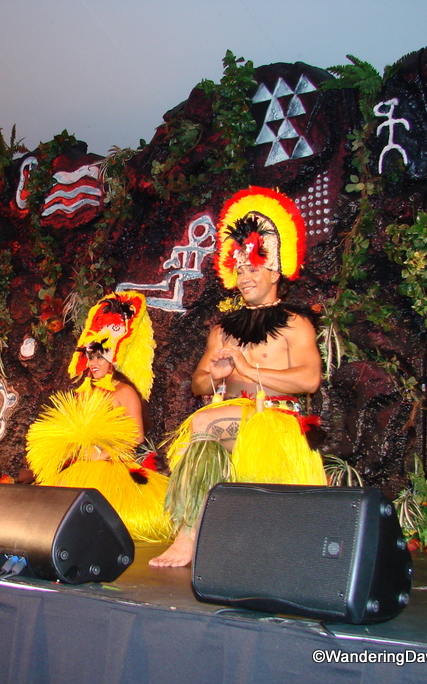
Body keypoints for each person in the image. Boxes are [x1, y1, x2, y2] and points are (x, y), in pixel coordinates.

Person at [150, 187, 327, 568]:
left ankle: (189, 536)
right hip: (228, 414)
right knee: (195, 433)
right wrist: (215, 377)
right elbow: (198, 384)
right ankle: (193, 532)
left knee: (203, 425)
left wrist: (249, 371)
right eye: (240, 270)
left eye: (253, 269)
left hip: (274, 420)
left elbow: (310, 380)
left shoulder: (295, 324)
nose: (244, 277)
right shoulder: (222, 330)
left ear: (275, 271)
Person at [26, 292, 173, 542]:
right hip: (80, 466)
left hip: (112, 466)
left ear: (112, 359)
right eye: (90, 357)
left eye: (99, 357)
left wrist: (102, 454)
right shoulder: (84, 392)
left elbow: (136, 436)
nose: (93, 363)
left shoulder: (124, 392)